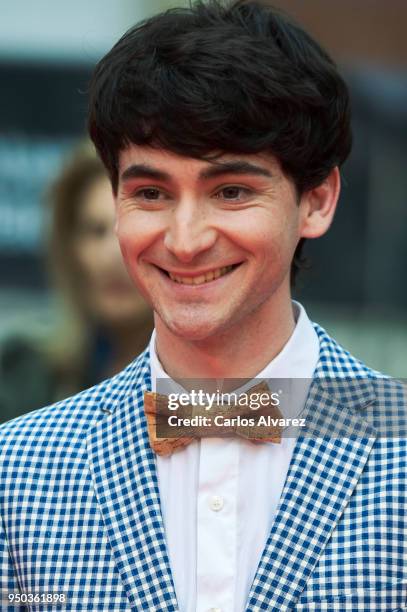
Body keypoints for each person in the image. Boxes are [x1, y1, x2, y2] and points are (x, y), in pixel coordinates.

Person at [0, 2, 405, 611]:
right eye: (152, 192)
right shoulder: (19, 474)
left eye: (231, 191)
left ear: (317, 201)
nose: (185, 240)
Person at [0, 141, 153, 423]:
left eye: (130, 231)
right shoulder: (22, 374)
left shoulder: (219, 388)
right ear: (70, 247)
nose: (112, 256)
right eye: (95, 231)